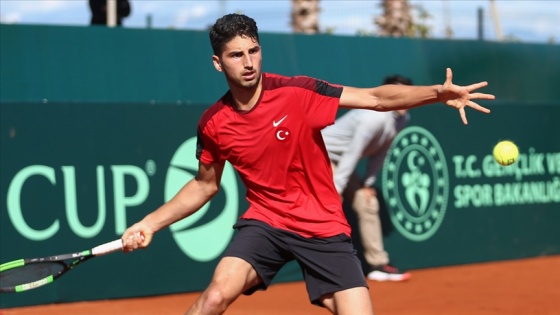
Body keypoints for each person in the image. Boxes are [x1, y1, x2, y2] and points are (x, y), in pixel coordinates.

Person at [121, 13, 494, 315]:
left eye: (254, 51)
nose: (249, 63)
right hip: (267, 223)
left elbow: (377, 99)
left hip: (323, 225)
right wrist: (149, 223)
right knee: (217, 295)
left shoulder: (298, 93)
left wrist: (435, 93)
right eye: (237, 55)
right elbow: (205, 185)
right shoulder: (213, 124)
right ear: (218, 63)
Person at [322, 74, 413, 282]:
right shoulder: (373, 117)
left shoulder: (403, 119)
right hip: (320, 152)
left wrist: (367, 183)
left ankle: (377, 265)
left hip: (342, 160)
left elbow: (382, 152)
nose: (403, 99)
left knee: (367, 201)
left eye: (408, 94)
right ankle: (329, 266)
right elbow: (354, 151)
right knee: (332, 205)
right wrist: (337, 188)